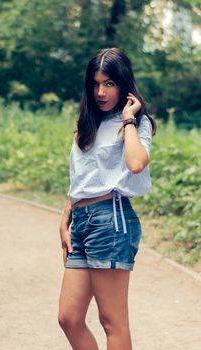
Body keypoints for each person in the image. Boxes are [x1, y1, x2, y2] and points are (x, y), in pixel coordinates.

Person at [58, 47, 156, 350]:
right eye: (96, 83)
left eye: (109, 84)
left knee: (112, 321)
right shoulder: (87, 123)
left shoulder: (137, 124)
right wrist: (66, 217)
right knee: (69, 317)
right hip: (82, 222)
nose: (101, 92)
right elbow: (83, 176)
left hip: (111, 221)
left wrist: (128, 120)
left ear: (123, 84)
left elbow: (137, 163)